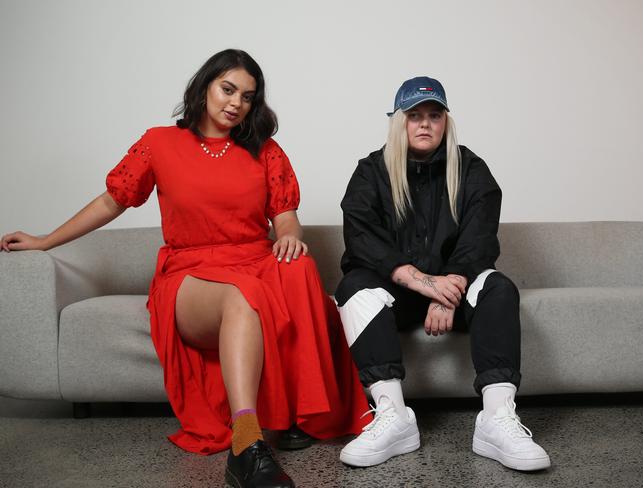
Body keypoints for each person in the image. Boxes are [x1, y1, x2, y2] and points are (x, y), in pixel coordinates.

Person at [1, 49, 370, 488]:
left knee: (298, 268)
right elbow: (109, 201)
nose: (236, 103)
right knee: (243, 296)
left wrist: (289, 233)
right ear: (204, 87)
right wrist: (45, 240)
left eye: (247, 97)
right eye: (227, 89)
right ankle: (248, 444)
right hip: (192, 273)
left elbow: (284, 211)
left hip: (253, 260)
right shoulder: (159, 143)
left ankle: (292, 416)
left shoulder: (264, 151)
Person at [335, 76, 551, 471]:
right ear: (398, 121)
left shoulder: (471, 169)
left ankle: (497, 419)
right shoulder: (371, 171)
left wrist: (448, 288)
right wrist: (426, 285)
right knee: (352, 287)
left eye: (434, 115)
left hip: (459, 289)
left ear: (446, 123)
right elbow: (362, 240)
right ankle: (393, 416)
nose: (424, 124)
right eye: (414, 115)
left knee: (499, 287)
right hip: (399, 296)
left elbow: (480, 240)